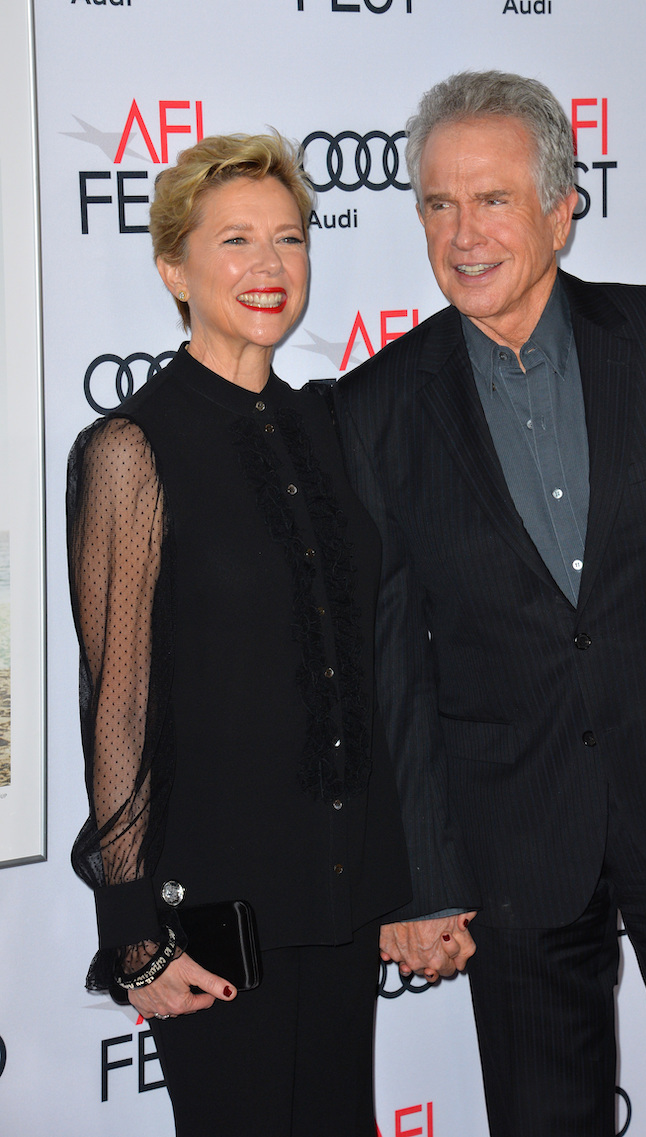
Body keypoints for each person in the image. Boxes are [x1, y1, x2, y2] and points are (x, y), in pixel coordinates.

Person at [335, 71, 646, 1137]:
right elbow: (390, 660)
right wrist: (423, 876)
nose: (462, 235)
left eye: (492, 200)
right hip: (512, 838)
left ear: (558, 207)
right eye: (437, 206)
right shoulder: (375, 407)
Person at [67, 132, 409, 1137]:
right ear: (173, 266)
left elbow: (361, 669)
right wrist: (132, 931)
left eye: (289, 240)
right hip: (214, 908)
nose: (269, 267)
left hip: (340, 891)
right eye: (235, 241)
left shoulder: (329, 426)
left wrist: (399, 878)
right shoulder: (131, 449)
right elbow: (117, 705)